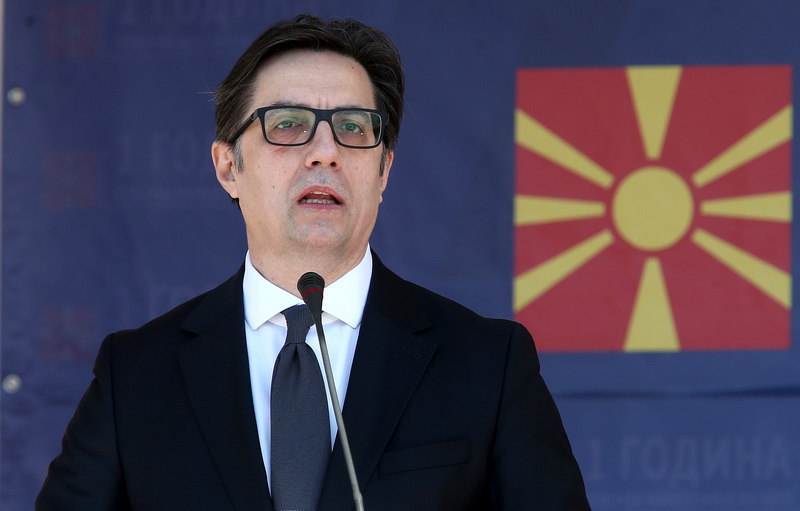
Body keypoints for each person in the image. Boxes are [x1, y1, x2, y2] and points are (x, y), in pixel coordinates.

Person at [36, 14, 591, 511]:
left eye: (352, 127)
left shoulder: (487, 365)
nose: (325, 152)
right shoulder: (135, 376)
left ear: (384, 171)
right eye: (287, 123)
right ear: (228, 167)